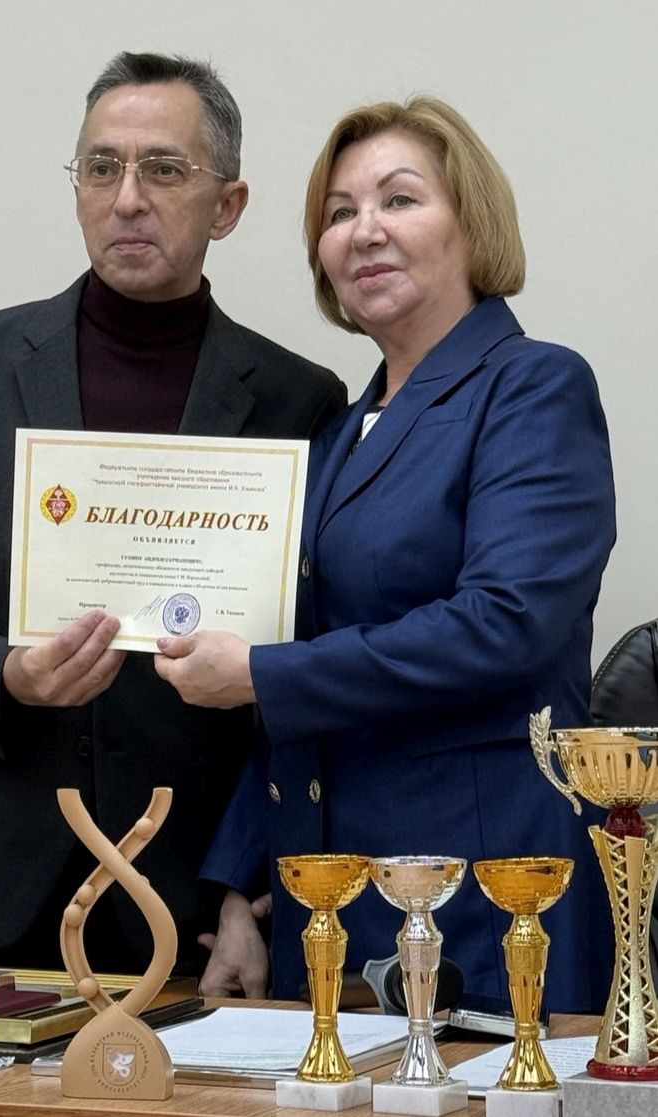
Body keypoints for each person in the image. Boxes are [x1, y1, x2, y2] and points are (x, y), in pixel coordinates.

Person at [0, 51, 345, 976]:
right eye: (100, 167)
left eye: (163, 169)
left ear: (227, 205)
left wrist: (246, 883)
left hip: (189, 885)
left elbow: (304, 663)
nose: (127, 199)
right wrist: (6, 673)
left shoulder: (298, 399)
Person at [155, 96, 616, 1011]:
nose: (363, 230)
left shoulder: (533, 386)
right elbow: (296, 670)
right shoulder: (335, 434)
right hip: (329, 890)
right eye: (338, 213)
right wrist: (241, 889)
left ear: (470, 223)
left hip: (486, 887)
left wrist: (258, 673)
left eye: (399, 199)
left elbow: (506, 623)